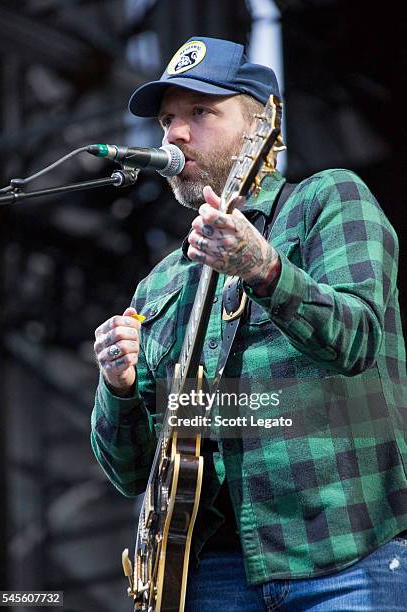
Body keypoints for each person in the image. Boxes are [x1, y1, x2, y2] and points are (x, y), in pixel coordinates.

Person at [91, 36, 407, 610]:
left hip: (344, 556)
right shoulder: (161, 283)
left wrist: (265, 268)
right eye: (167, 120)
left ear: (262, 126)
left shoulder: (329, 200)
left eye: (201, 112)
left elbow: (358, 338)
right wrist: (118, 387)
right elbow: (129, 472)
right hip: (206, 570)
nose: (175, 135)